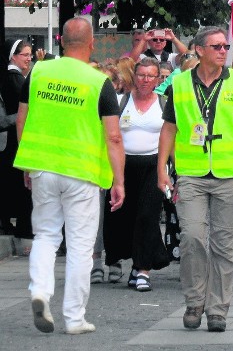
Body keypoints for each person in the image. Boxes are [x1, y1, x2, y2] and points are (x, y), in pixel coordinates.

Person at [15, 17, 125, 334]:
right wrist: (118, 181)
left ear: (61, 41)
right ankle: (74, 318)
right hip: (82, 173)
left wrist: (28, 164)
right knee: (79, 247)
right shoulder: (98, 82)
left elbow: (22, 120)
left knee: (47, 236)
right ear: (92, 44)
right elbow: (114, 137)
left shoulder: (38, 72)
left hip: (43, 169)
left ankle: (40, 291)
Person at [157, 26, 233, 333]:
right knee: (191, 237)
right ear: (199, 50)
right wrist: (161, 167)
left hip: (229, 174)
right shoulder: (179, 84)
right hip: (190, 172)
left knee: (224, 244)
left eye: (225, 46)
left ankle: (217, 309)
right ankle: (194, 300)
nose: (223, 50)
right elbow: (169, 128)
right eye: (216, 46)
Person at [103, 57, 171, 292]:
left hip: (153, 165)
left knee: (147, 216)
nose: (145, 80)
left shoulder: (163, 103)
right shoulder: (121, 101)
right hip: (122, 166)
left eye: (151, 76)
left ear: (157, 79)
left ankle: (143, 270)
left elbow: (171, 138)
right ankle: (132, 264)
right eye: (141, 75)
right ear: (134, 76)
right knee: (124, 218)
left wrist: (171, 171)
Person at [1, 39, 34, 243]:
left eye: (30, 55)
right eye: (25, 55)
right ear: (14, 56)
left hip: (11, 139)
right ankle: (21, 225)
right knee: (17, 182)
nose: (29, 58)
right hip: (13, 140)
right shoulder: (14, 79)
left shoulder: (14, 77)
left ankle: (9, 222)